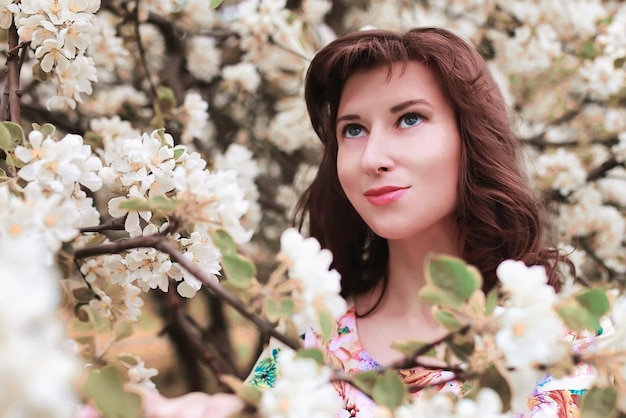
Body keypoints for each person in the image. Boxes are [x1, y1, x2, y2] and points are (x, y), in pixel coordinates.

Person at [138, 27, 592, 417]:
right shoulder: (305, 342)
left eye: (409, 119)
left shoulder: (567, 348)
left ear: (471, 139)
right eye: (352, 130)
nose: (372, 158)